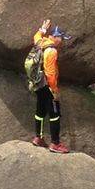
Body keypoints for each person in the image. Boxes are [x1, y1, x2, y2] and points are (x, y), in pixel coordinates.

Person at [31, 19, 71, 154]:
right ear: (54, 37)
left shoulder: (42, 42)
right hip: (47, 84)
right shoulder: (52, 51)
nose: (62, 41)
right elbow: (50, 72)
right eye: (60, 38)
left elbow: (36, 37)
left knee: (40, 110)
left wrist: (42, 29)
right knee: (55, 114)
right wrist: (54, 90)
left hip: (38, 82)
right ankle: (55, 143)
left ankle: (38, 137)